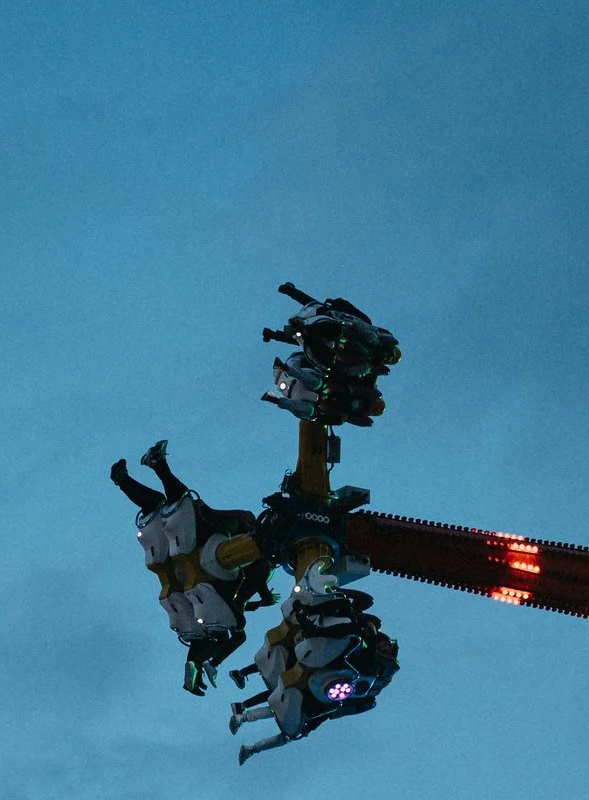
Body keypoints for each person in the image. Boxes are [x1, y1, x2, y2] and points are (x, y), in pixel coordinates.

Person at [109, 440, 271, 695]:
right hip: (200, 574)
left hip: (188, 581)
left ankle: (128, 479)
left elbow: (249, 585)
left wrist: (262, 597)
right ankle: (153, 465)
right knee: (176, 506)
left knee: (161, 506)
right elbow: (254, 578)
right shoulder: (246, 540)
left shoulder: (240, 538)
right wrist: (264, 595)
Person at [228, 577, 398, 762]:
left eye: (387, 647)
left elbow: (357, 694)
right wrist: (334, 593)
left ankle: (250, 740)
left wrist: (338, 705)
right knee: (285, 675)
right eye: (385, 644)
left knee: (295, 722)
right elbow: (357, 607)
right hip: (319, 649)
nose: (385, 647)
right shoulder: (357, 627)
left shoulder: (371, 670)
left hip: (328, 685)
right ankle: (243, 704)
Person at [259, 283, 400, 427]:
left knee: (312, 402)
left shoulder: (366, 369)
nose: (384, 358)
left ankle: (275, 398)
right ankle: (292, 292)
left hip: (330, 365)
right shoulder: (373, 339)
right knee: (324, 311)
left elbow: (349, 372)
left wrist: (275, 336)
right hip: (339, 327)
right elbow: (358, 323)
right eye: (387, 355)